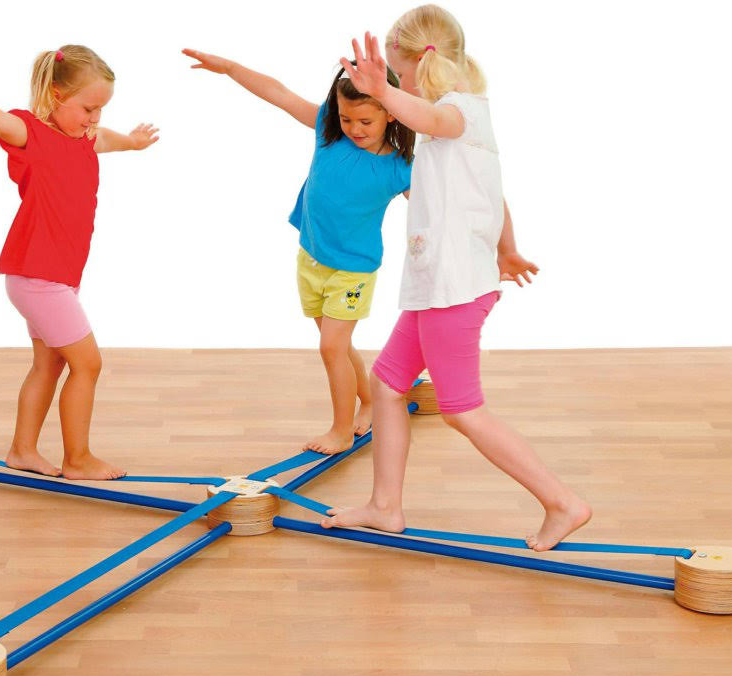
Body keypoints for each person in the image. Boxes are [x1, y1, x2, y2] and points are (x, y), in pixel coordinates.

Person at [323, 7, 592, 551]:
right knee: (387, 384)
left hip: (453, 290)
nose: (394, 83)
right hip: (436, 286)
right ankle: (385, 506)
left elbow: (430, 119)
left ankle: (563, 503)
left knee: (463, 410)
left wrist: (382, 92)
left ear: (417, 63)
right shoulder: (455, 117)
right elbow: (492, 194)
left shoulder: (458, 111)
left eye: (397, 73)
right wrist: (508, 249)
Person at [0, 45, 159, 480]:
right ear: (55, 94)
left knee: (50, 364)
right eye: (88, 108)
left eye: (101, 109)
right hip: (38, 277)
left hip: (55, 277)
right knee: (88, 364)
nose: (94, 118)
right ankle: (78, 459)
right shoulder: (31, 134)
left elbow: (111, 139)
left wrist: (135, 143)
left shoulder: (86, 138)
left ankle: (22, 451)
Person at [183, 47, 414, 454]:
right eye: (347, 118)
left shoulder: (400, 168)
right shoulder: (329, 132)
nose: (354, 128)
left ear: (391, 113)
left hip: (353, 271)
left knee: (331, 348)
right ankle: (369, 402)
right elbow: (279, 94)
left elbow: (435, 212)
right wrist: (232, 67)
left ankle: (341, 430)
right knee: (337, 345)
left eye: (365, 121)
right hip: (311, 259)